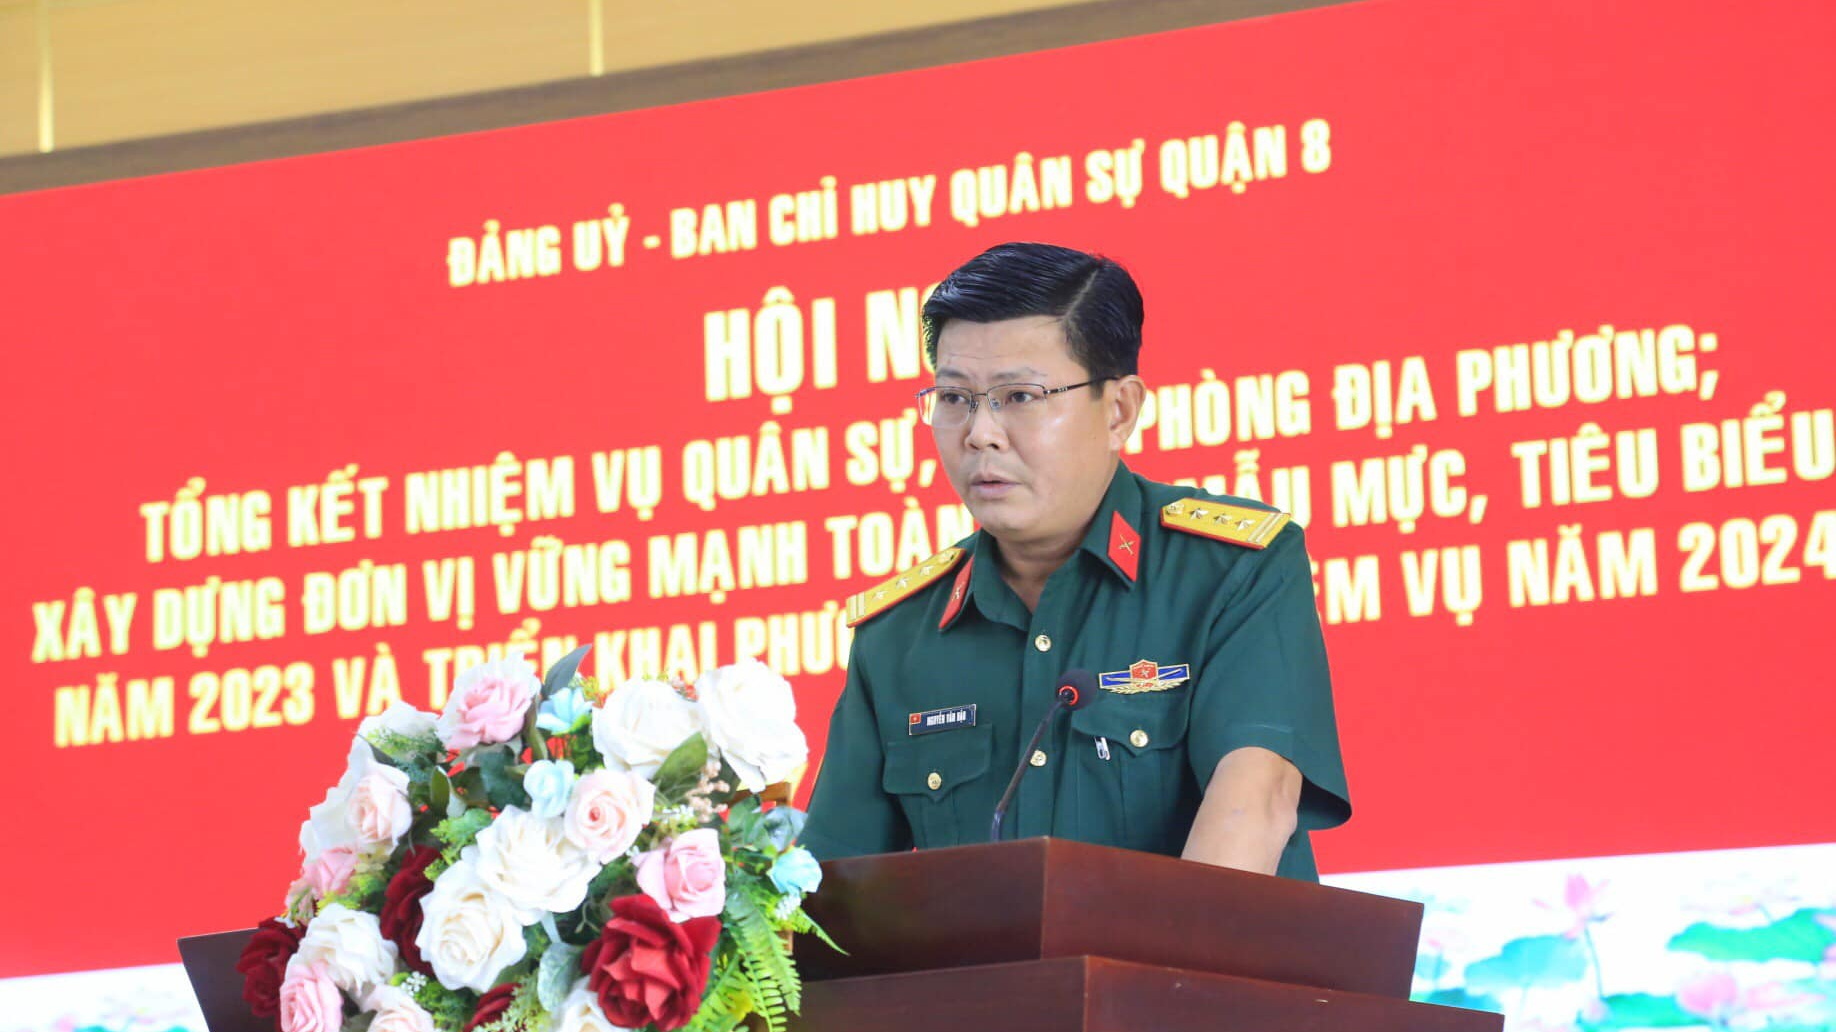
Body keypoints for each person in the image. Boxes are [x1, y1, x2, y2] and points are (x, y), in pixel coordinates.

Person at [800, 242, 1350, 880]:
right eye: (954, 398)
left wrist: (1146, 952)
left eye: (1019, 396)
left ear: (1119, 411)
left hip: (1193, 947)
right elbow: (830, 890)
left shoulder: (1233, 571)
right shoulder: (898, 634)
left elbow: (1256, 803)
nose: (980, 433)